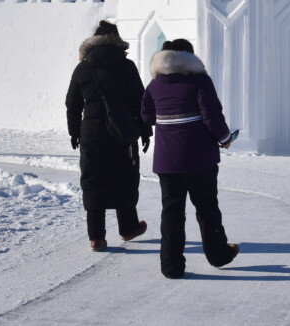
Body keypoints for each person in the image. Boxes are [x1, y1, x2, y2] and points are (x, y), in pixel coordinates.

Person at [141, 38, 239, 279]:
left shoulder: (155, 84)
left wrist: (167, 122)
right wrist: (225, 138)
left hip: (167, 160)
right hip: (199, 159)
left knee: (172, 212)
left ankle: (171, 267)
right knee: (206, 208)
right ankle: (218, 255)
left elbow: (146, 116)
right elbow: (212, 116)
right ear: (190, 58)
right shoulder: (199, 80)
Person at [66, 21, 151, 251]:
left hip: (92, 134)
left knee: (93, 180)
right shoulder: (126, 66)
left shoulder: (83, 68)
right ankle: (128, 227)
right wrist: (145, 131)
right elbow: (139, 101)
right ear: (116, 40)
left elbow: (72, 103)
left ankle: (96, 237)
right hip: (122, 132)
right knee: (124, 177)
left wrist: (74, 131)